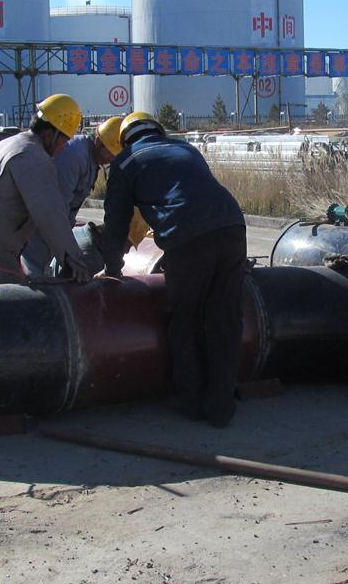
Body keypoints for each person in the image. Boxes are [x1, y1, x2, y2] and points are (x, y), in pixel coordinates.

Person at [98, 111, 247, 428]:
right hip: (233, 225)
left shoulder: (125, 163)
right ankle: (222, 403)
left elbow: (116, 224)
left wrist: (112, 268)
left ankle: (192, 400)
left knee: (186, 316)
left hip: (187, 236)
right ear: (158, 131)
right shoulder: (185, 148)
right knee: (225, 316)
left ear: (125, 140)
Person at [0, 94, 92, 286]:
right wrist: (73, 259)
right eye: (64, 141)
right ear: (50, 134)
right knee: (5, 304)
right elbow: (50, 213)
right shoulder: (34, 157)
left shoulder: (8, 144)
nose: (63, 148)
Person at [20, 115, 123, 276]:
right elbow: (55, 211)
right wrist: (71, 255)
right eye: (109, 151)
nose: (111, 157)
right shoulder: (75, 156)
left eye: (115, 154)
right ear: (98, 141)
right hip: (37, 236)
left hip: (49, 238)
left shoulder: (90, 160)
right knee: (32, 279)